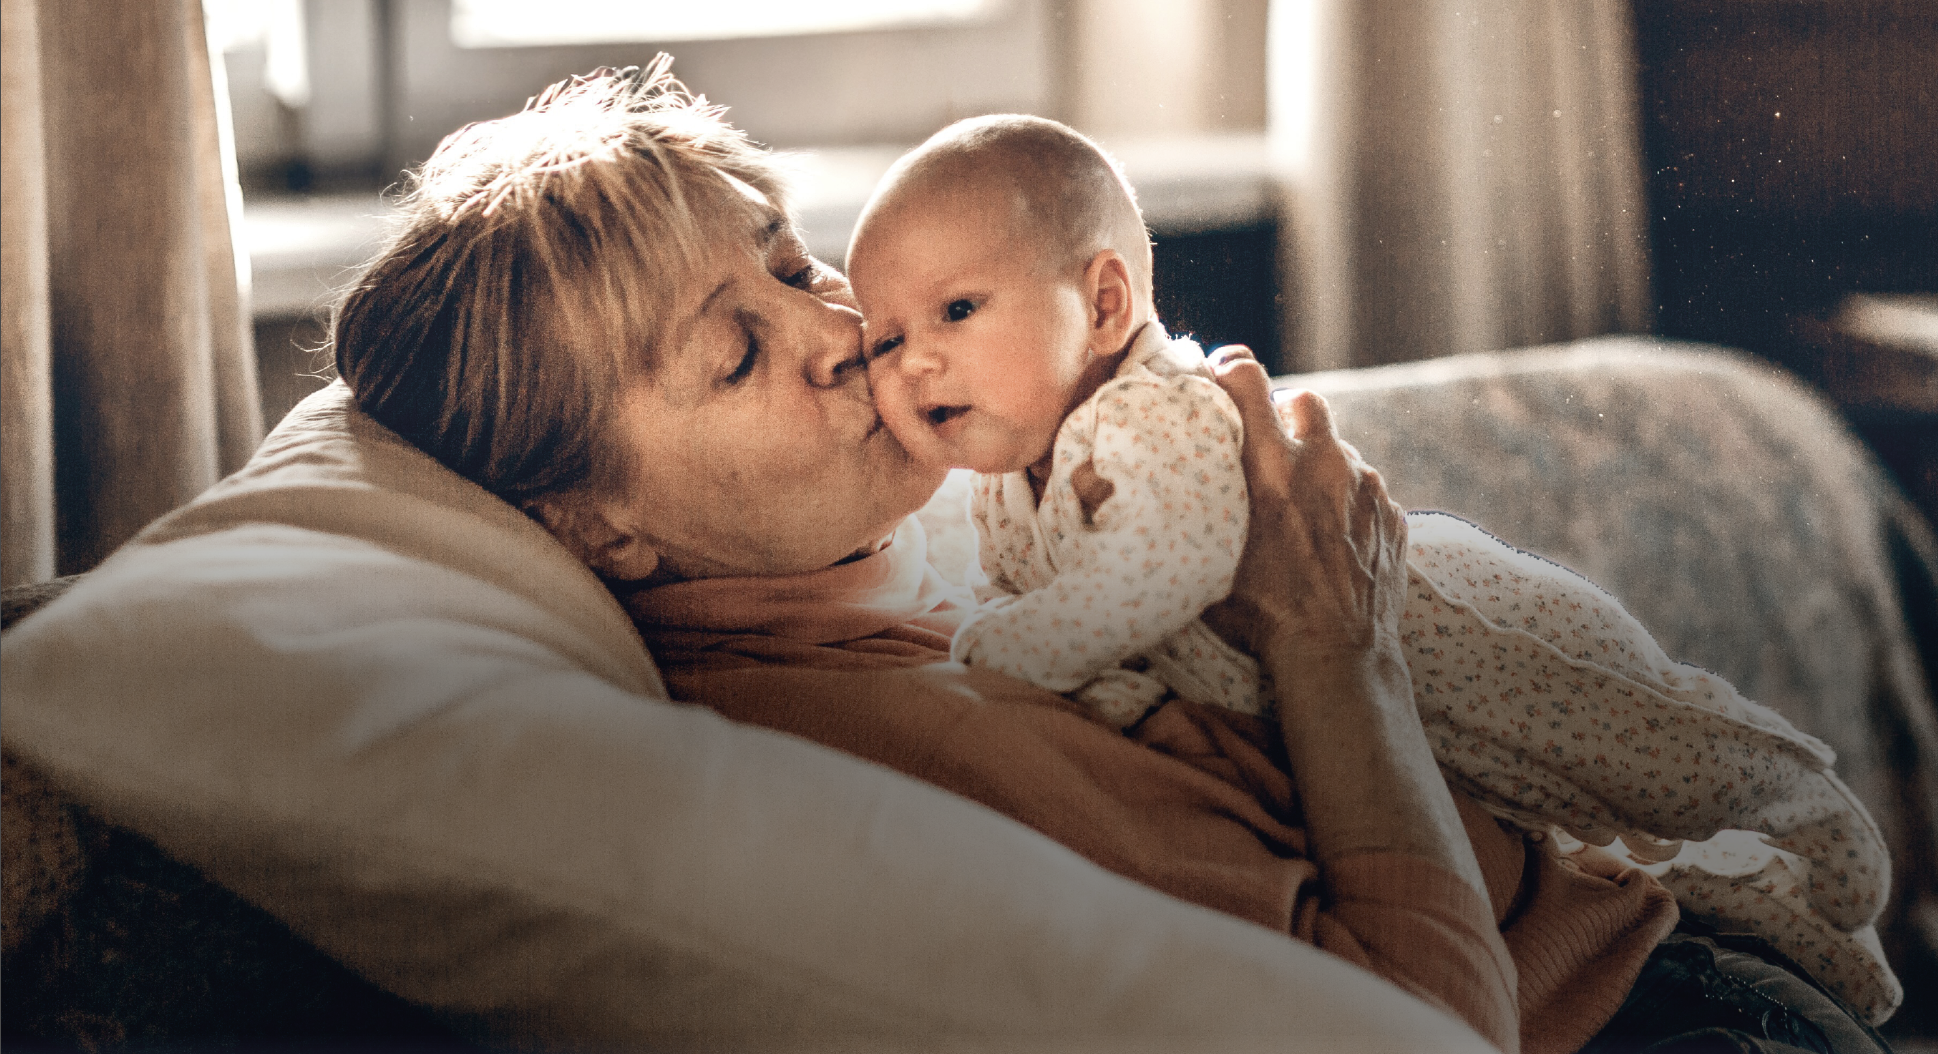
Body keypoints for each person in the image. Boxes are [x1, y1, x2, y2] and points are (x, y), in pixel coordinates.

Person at [329, 63, 1894, 1054]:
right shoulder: (882, 740)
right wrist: (1327, 645)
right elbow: (1422, 1025)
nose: (840, 330)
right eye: (740, 350)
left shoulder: (945, 531)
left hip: (1676, 938)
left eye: (796, 264)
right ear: (593, 519)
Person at [844, 113, 1898, 1029]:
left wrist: (1018, 649)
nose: (911, 361)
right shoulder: (997, 491)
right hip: (1399, 748)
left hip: (1452, 631)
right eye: (885, 337)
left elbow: (1166, 567)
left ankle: (1805, 808)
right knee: (1573, 823)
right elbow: (1122, 655)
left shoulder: (1147, 413)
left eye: (955, 312)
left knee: (1644, 739)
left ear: (1107, 303)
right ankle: (1770, 902)